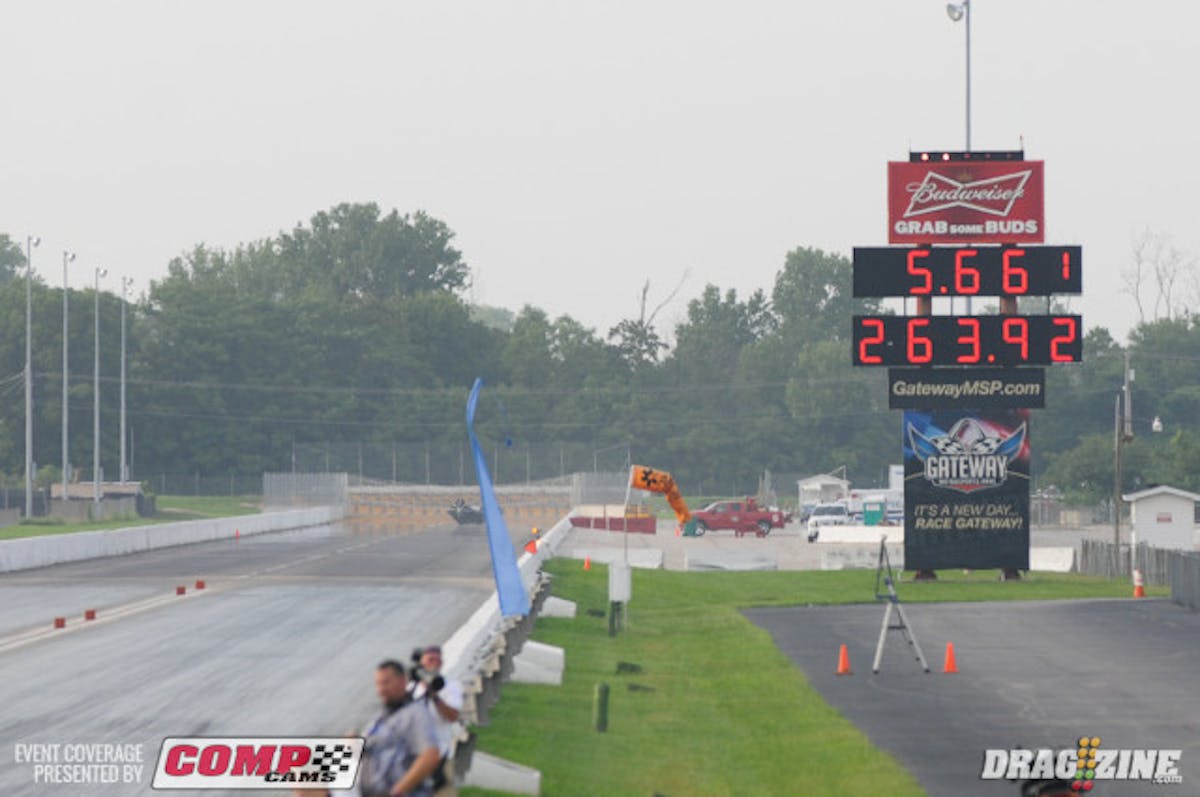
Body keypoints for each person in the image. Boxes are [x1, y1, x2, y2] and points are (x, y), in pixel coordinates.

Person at [358, 659, 441, 797]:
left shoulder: (415, 713)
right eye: (378, 684)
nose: (381, 689)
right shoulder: (381, 717)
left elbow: (430, 755)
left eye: (386, 683)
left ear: (403, 681)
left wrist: (398, 791)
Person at [409, 646, 464, 797]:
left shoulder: (451, 687)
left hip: (440, 757)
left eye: (438, 660)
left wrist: (435, 696)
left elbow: (452, 716)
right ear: (422, 663)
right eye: (430, 659)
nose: (434, 663)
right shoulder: (412, 688)